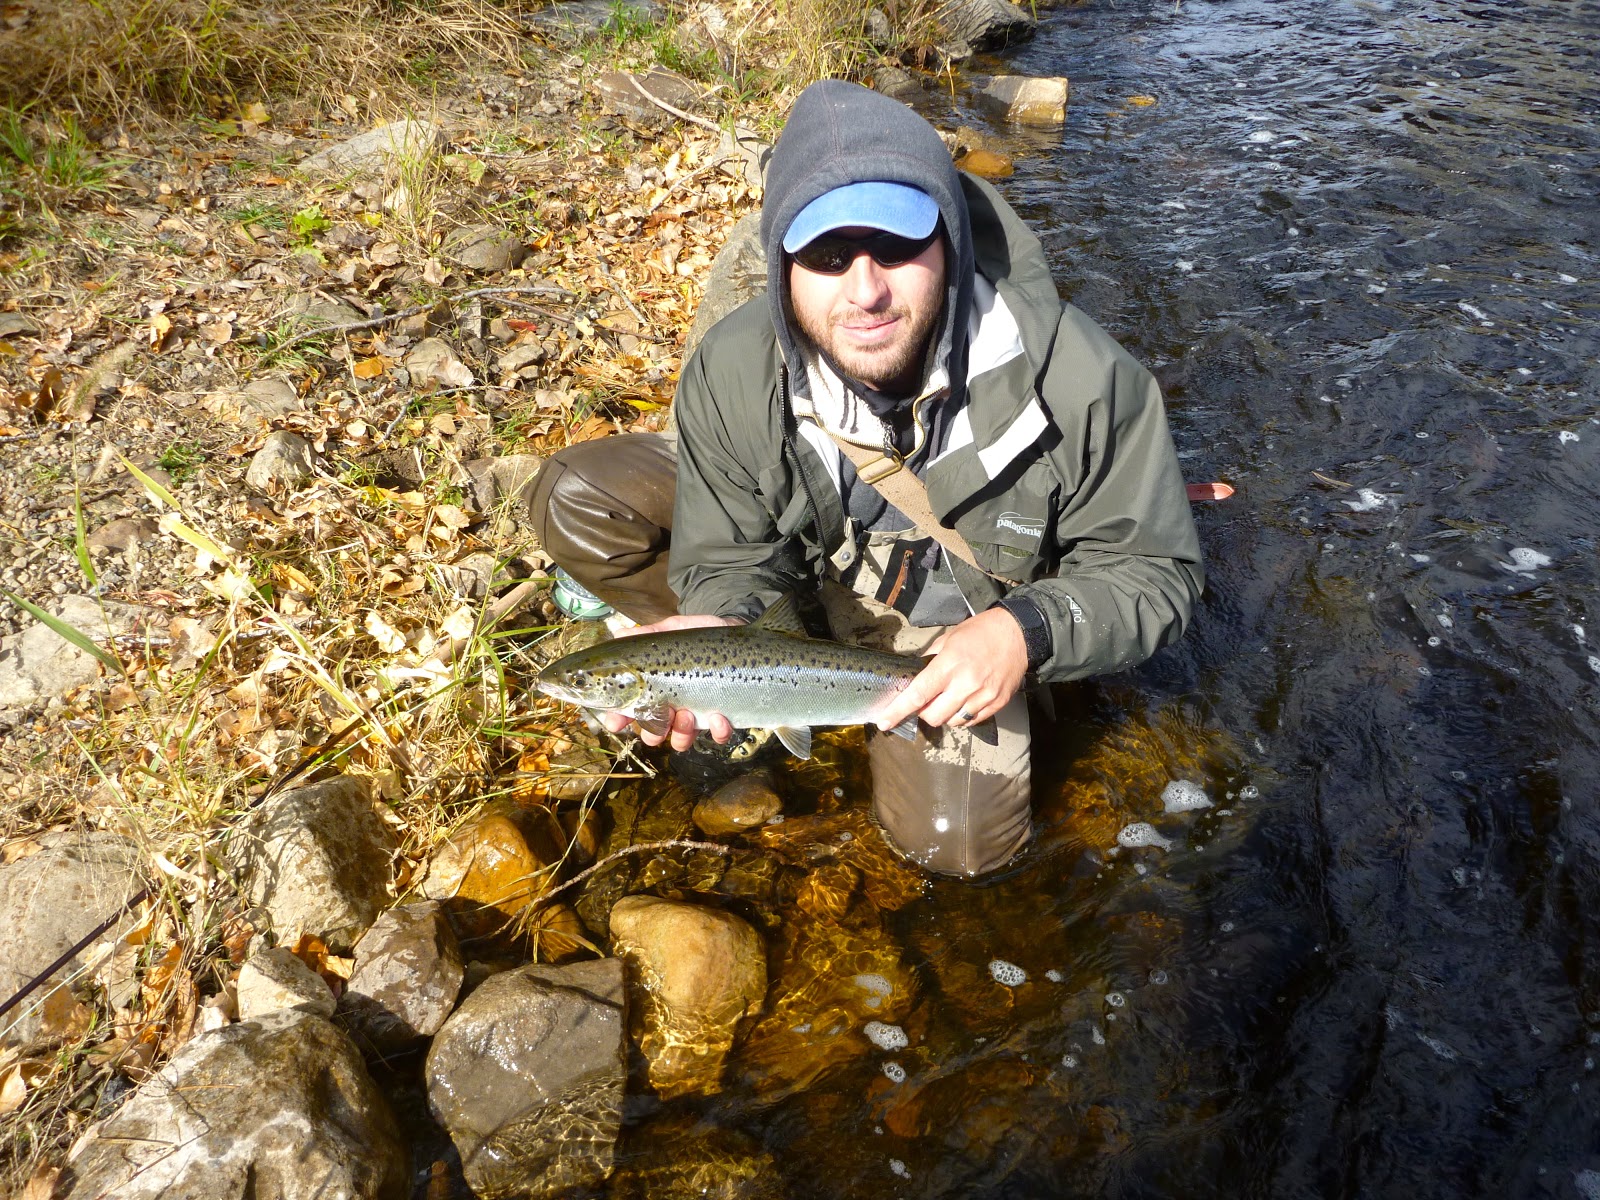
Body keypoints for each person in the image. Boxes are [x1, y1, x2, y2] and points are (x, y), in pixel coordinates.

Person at [528, 79, 1203, 877]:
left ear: (948, 241)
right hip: (817, 579)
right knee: (580, 495)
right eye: (826, 254)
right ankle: (789, 674)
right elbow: (728, 555)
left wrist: (1027, 634)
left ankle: (953, 682)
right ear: (783, 266)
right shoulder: (735, 369)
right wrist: (722, 626)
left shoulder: (1084, 376)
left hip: (964, 618)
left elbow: (1159, 574)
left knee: (957, 849)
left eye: (897, 244)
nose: (866, 288)